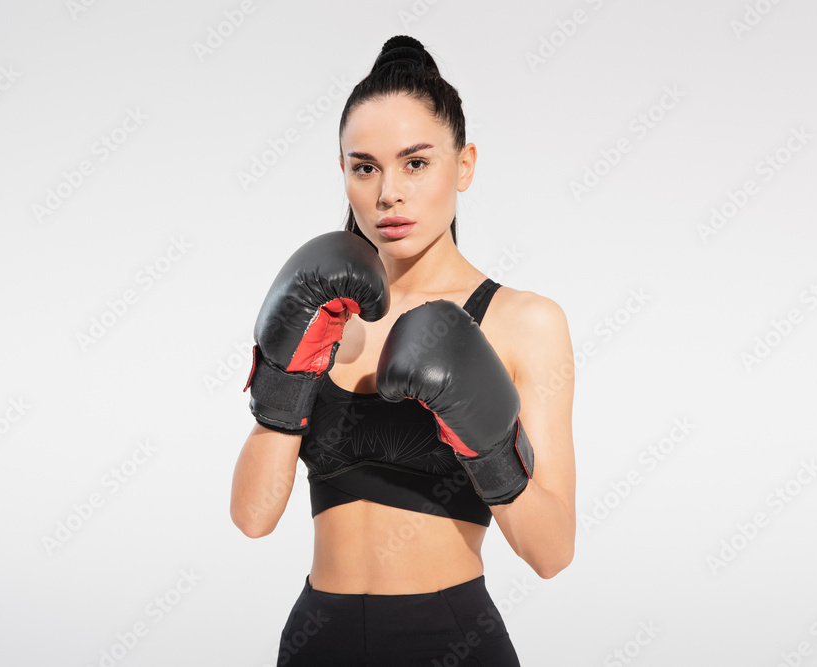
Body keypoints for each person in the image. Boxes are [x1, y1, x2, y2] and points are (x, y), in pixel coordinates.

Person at [231, 35, 576, 666]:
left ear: (464, 165)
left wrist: (489, 444)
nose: (389, 191)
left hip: (450, 640)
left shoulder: (524, 321)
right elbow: (253, 518)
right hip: (316, 640)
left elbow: (552, 553)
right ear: (344, 173)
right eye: (365, 166)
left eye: (415, 163)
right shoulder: (323, 310)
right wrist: (284, 377)